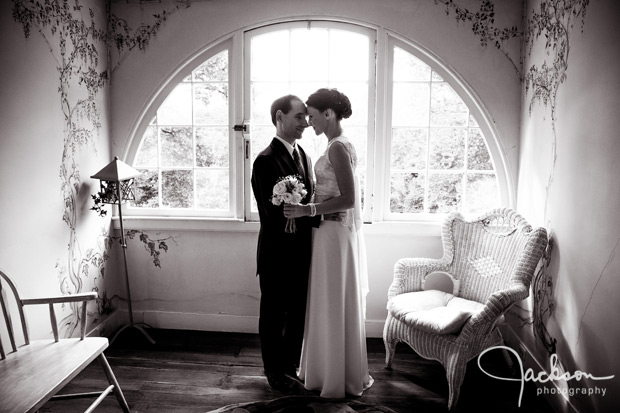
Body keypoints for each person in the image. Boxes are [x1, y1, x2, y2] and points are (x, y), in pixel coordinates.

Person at [284, 88, 373, 398]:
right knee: (328, 299)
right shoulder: (337, 145)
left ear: (329, 114)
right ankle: (330, 369)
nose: (309, 122)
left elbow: (348, 199)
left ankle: (334, 375)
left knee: (332, 299)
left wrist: (307, 208)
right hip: (328, 233)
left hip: (334, 233)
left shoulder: (337, 148)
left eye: (312, 115)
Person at [251, 94, 316, 392]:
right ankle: (274, 371)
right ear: (280, 117)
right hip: (277, 252)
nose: (306, 122)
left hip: (303, 251)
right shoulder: (265, 160)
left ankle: (291, 366)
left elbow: (310, 201)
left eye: (306, 116)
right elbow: (270, 213)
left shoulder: (305, 156)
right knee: (274, 314)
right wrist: (300, 215)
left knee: (298, 311)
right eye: (299, 116)